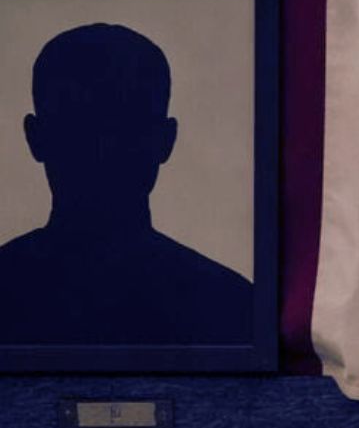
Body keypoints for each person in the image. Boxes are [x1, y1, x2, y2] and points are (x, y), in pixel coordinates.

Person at [0, 22, 253, 346]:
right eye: (81, 125)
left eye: (122, 126)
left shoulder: (231, 305)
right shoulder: (228, 302)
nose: (102, 148)